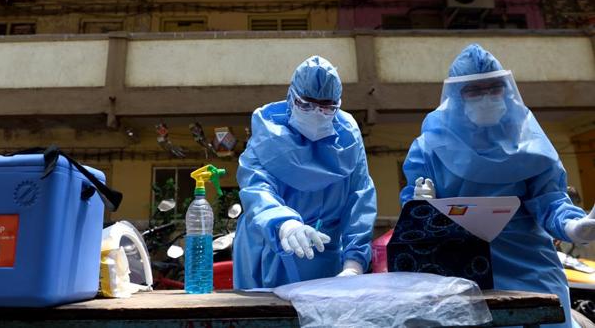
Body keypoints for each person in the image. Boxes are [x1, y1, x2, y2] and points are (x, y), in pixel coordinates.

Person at [400, 44, 594, 328]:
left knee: (551, 315)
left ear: (507, 89)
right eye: (474, 91)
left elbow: (551, 200)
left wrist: (574, 227)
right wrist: (421, 208)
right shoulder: (429, 148)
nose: (487, 97)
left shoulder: (530, 143)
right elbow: (411, 219)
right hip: (456, 267)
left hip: (529, 265)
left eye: (494, 88)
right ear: (457, 97)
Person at [233, 55, 377, 289]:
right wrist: (284, 224)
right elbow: (257, 188)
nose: (316, 114)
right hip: (270, 248)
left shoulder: (348, 139)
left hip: (325, 249)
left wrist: (354, 263)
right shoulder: (268, 135)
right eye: (306, 105)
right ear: (291, 98)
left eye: (326, 108)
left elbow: (360, 198)